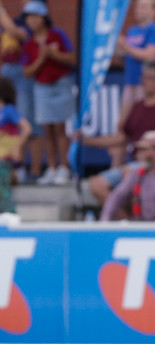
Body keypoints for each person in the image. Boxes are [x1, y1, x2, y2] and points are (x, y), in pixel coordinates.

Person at [82, 60, 155, 208]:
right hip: (135, 163)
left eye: (148, 77)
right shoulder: (137, 106)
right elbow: (122, 138)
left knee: (130, 173)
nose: (143, 81)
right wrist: (88, 140)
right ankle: (123, 221)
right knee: (96, 185)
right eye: (143, 77)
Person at [21, 1, 76, 185]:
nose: (31, 21)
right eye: (28, 18)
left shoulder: (57, 35)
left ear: (44, 18)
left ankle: (64, 167)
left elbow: (71, 58)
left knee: (60, 128)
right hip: (41, 88)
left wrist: (54, 54)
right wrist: (43, 56)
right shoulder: (29, 43)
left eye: (35, 17)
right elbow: (27, 71)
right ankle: (52, 168)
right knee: (48, 129)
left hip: (61, 84)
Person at [99, 130, 155, 221]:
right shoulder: (136, 173)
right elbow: (117, 196)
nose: (139, 153)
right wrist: (105, 218)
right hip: (141, 226)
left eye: (143, 149)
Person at [0, 0, 44, 181]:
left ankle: (33, 170)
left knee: (28, 120)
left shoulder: (28, 25)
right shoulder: (17, 19)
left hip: (22, 73)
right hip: (7, 70)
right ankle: (16, 167)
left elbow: (14, 32)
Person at [115, 0, 155, 122]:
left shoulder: (154, 29)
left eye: (143, 7)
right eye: (137, 7)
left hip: (144, 84)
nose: (138, 10)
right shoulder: (132, 30)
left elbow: (150, 55)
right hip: (130, 81)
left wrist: (126, 46)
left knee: (142, 121)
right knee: (123, 121)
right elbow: (125, 54)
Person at [0, 77, 31, 212]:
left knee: (3, 188)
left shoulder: (9, 110)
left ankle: (10, 214)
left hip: (5, 158)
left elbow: (27, 128)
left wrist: (17, 147)